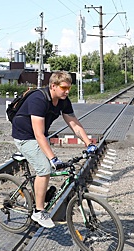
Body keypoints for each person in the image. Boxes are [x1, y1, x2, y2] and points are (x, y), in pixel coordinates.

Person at [11, 70, 97, 228]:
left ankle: (39, 195)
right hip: (24, 136)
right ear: (53, 86)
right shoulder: (39, 99)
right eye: (64, 88)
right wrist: (53, 158)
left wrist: (88, 143)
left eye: (69, 88)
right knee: (44, 169)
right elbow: (38, 134)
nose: (67, 91)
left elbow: (74, 124)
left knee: (48, 166)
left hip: (39, 135)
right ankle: (39, 211)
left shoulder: (63, 100)